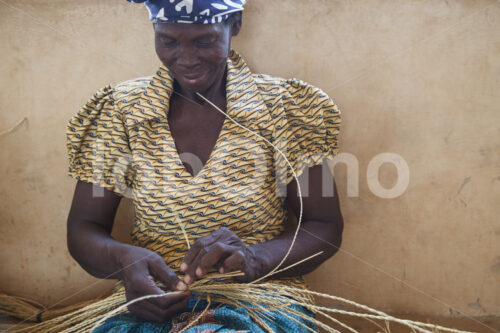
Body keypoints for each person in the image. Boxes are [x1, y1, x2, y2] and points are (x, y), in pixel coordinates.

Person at [66, 0, 343, 331]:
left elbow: (324, 227)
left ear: (234, 24)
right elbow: (83, 228)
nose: (186, 58)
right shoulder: (122, 112)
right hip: (151, 304)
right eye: (169, 41)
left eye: (204, 40)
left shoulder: (284, 108)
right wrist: (125, 262)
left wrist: (256, 259)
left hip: (259, 300)